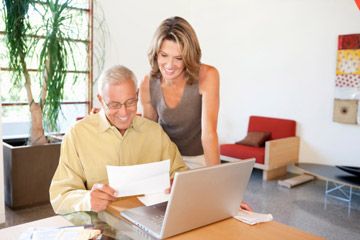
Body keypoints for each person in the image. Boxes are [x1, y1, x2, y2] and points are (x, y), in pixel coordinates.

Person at [50, 65, 187, 215]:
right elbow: (60, 196)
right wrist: (88, 199)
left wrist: (178, 184)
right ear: (101, 100)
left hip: (151, 220)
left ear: (137, 94)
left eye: (130, 102)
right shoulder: (78, 135)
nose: (124, 112)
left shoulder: (154, 132)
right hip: (102, 225)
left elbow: (181, 173)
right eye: (114, 105)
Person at [140, 16, 220, 169]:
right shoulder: (147, 83)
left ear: (189, 57)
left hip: (198, 159)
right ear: (156, 53)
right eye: (164, 55)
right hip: (165, 158)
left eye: (178, 58)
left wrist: (215, 177)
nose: (169, 65)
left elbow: (209, 135)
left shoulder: (208, 75)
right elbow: (149, 134)